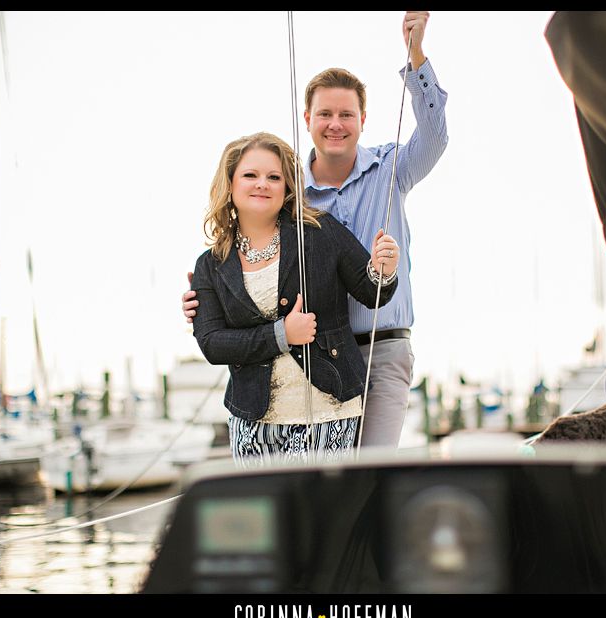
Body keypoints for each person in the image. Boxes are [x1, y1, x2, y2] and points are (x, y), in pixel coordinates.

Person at [184, 11, 447, 448]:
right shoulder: (286, 192)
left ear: (363, 118)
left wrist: (416, 55)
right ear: (307, 118)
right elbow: (248, 267)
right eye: (325, 113)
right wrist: (209, 300)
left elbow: (435, 136)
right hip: (311, 356)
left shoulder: (392, 170)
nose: (336, 123)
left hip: (382, 349)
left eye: (347, 113)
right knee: (327, 487)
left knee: (371, 473)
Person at [190, 132, 400, 466]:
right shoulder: (210, 265)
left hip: (328, 410)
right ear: (230, 185)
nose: (263, 184)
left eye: (274, 177)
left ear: (288, 188)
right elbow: (213, 343)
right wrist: (282, 335)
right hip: (251, 420)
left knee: (316, 517)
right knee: (265, 518)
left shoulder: (321, 231)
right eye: (250, 175)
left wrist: (383, 270)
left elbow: (372, 292)